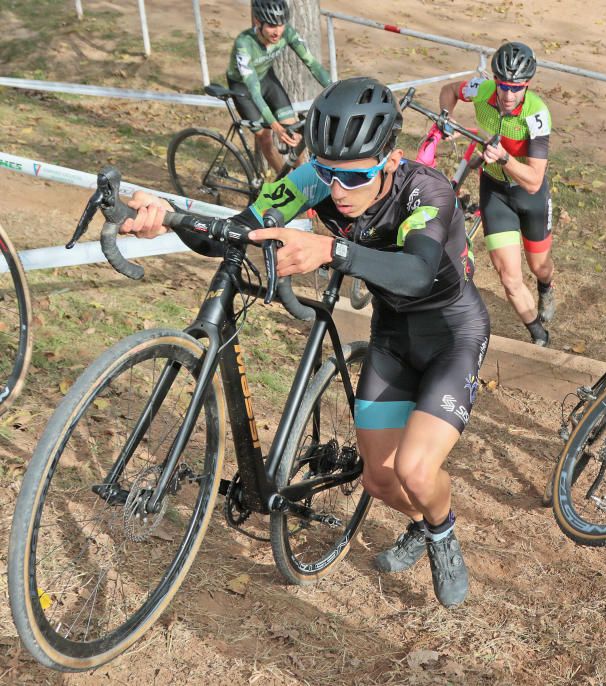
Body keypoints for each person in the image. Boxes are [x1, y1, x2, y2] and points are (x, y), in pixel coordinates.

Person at [122, 77, 490, 608]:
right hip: (392, 336)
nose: (338, 189)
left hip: (452, 334)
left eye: (355, 175)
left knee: (414, 468)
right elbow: (237, 229)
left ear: (390, 158)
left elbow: (415, 273)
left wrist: (331, 251)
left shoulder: (426, 190)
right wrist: (169, 218)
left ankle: (442, 531)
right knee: (380, 481)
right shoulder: (313, 179)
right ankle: (420, 524)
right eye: (327, 172)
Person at [438, 41, 556, 346]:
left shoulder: (537, 114)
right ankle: (538, 334)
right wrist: (445, 117)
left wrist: (505, 158)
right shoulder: (481, 89)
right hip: (495, 192)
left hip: (530, 195)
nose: (507, 95)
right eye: (502, 86)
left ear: (527, 85)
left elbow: (533, 180)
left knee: (540, 267)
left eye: (516, 88)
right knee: (509, 277)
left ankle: (546, 286)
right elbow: (450, 91)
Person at [226, 0, 331, 175]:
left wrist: (334, 88)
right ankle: (285, 181)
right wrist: (275, 126)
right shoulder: (244, 43)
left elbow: (312, 63)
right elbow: (254, 91)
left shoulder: (287, 33)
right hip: (243, 88)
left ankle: (304, 179)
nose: (277, 31)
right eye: (272, 26)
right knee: (266, 138)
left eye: (281, 24)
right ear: (259, 22)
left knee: (293, 132)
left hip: (266, 78)